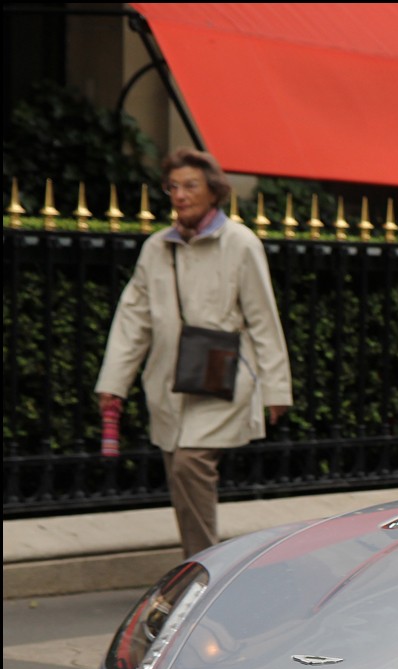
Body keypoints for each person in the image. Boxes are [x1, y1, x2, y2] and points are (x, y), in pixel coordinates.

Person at [95, 149, 293, 560]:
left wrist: (277, 389)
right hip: (168, 382)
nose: (181, 195)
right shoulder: (156, 248)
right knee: (181, 474)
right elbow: (133, 320)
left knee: (189, 465)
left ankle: (203, 567)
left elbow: (263, 319)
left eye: (191, 186)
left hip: (223, 377)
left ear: (214, 191)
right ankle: (198, 560)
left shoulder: (240, 244)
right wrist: (114, 383)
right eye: (174, 187)